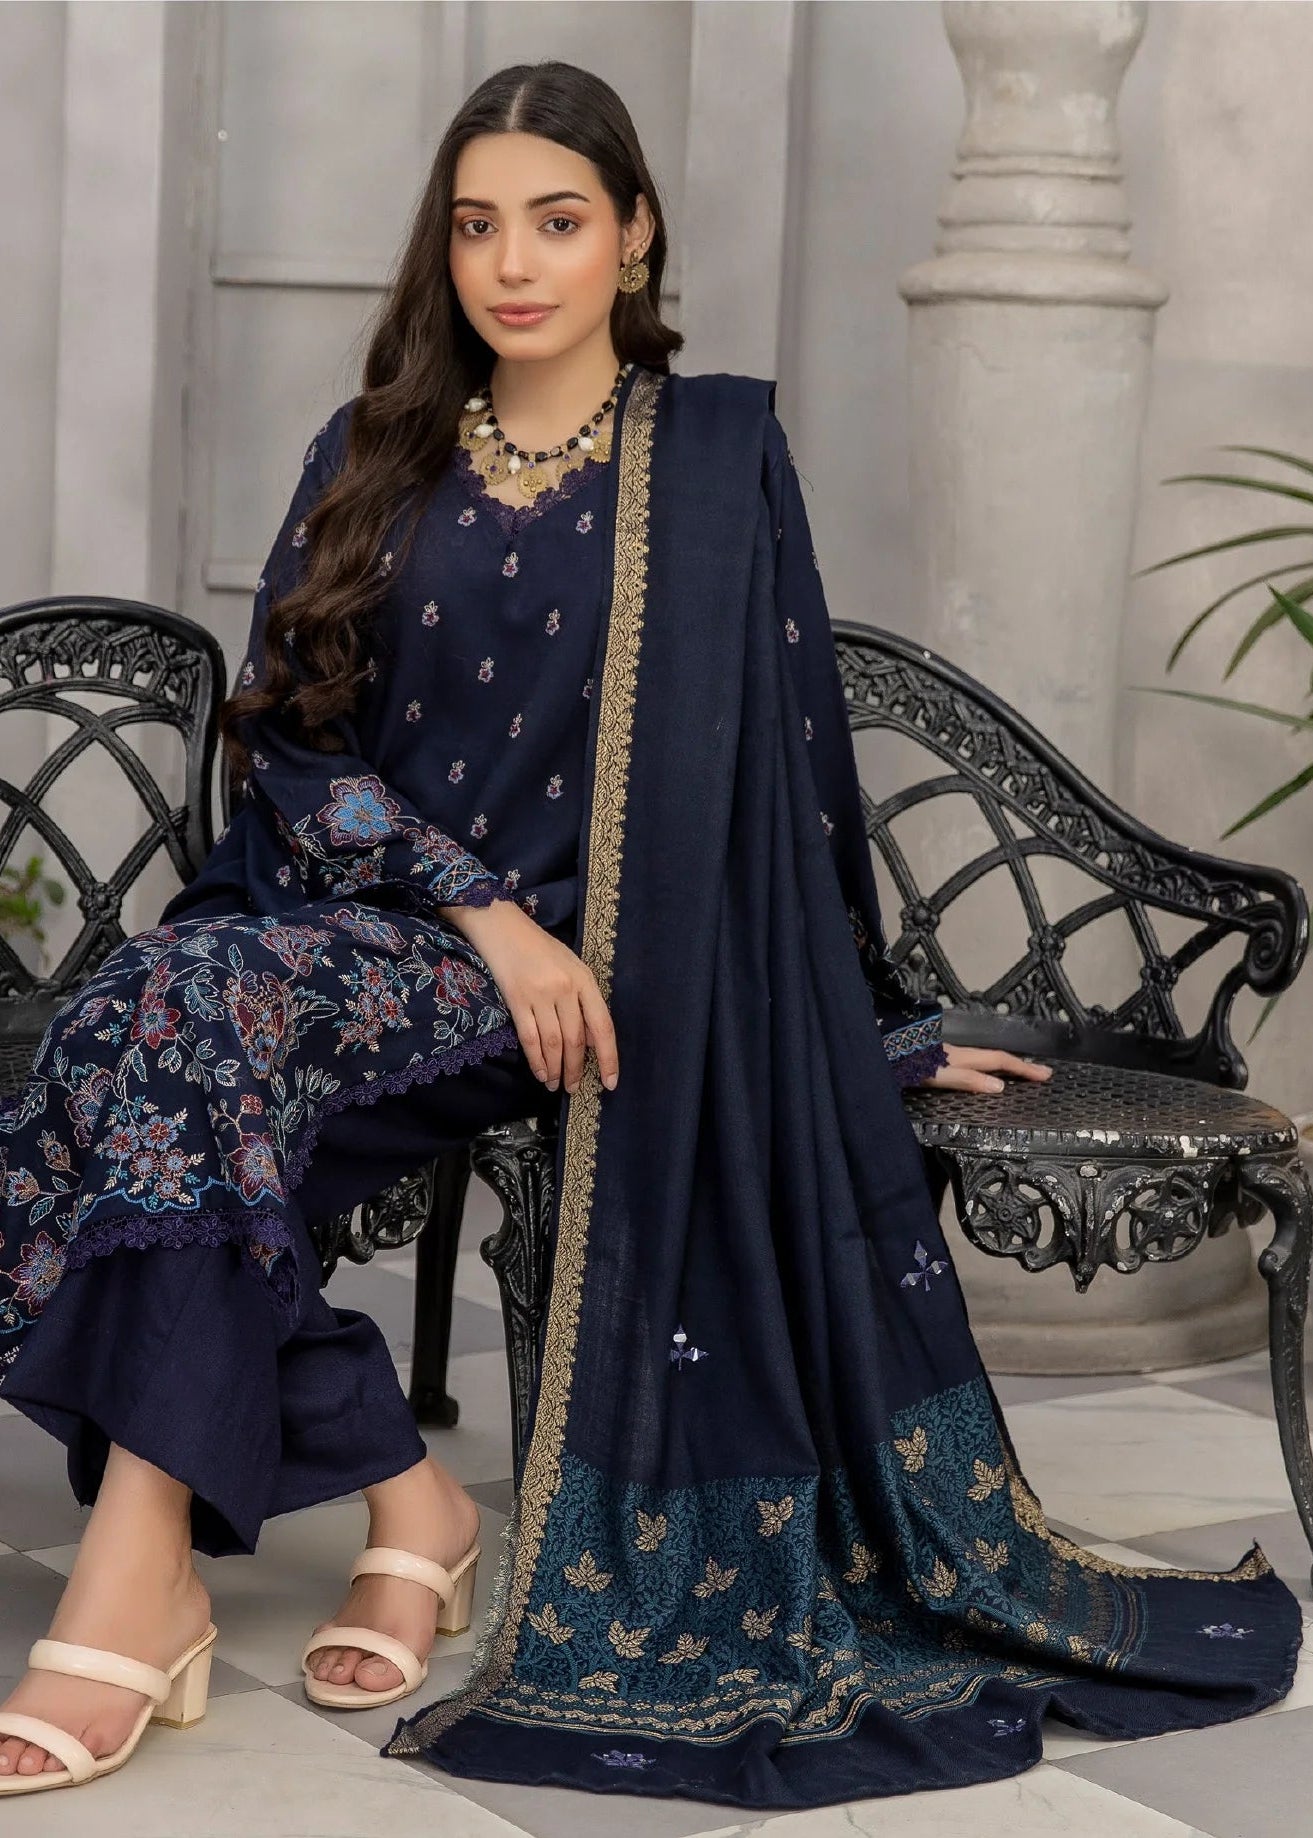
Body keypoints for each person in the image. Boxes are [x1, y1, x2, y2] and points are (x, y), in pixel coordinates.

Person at [0, 57, 1299, 1810]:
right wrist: (475, 914)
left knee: (160, 1038)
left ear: (633, 235)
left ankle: (155, 1574)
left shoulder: (711, 464)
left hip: (604, 976)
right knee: (158, 1022)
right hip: (377, 932)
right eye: (476, 226)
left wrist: (855, 1027)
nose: (511, 264)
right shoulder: (374, 442)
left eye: (555, 220)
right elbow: (292, 736)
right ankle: (394, 1497)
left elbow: (789, 784)